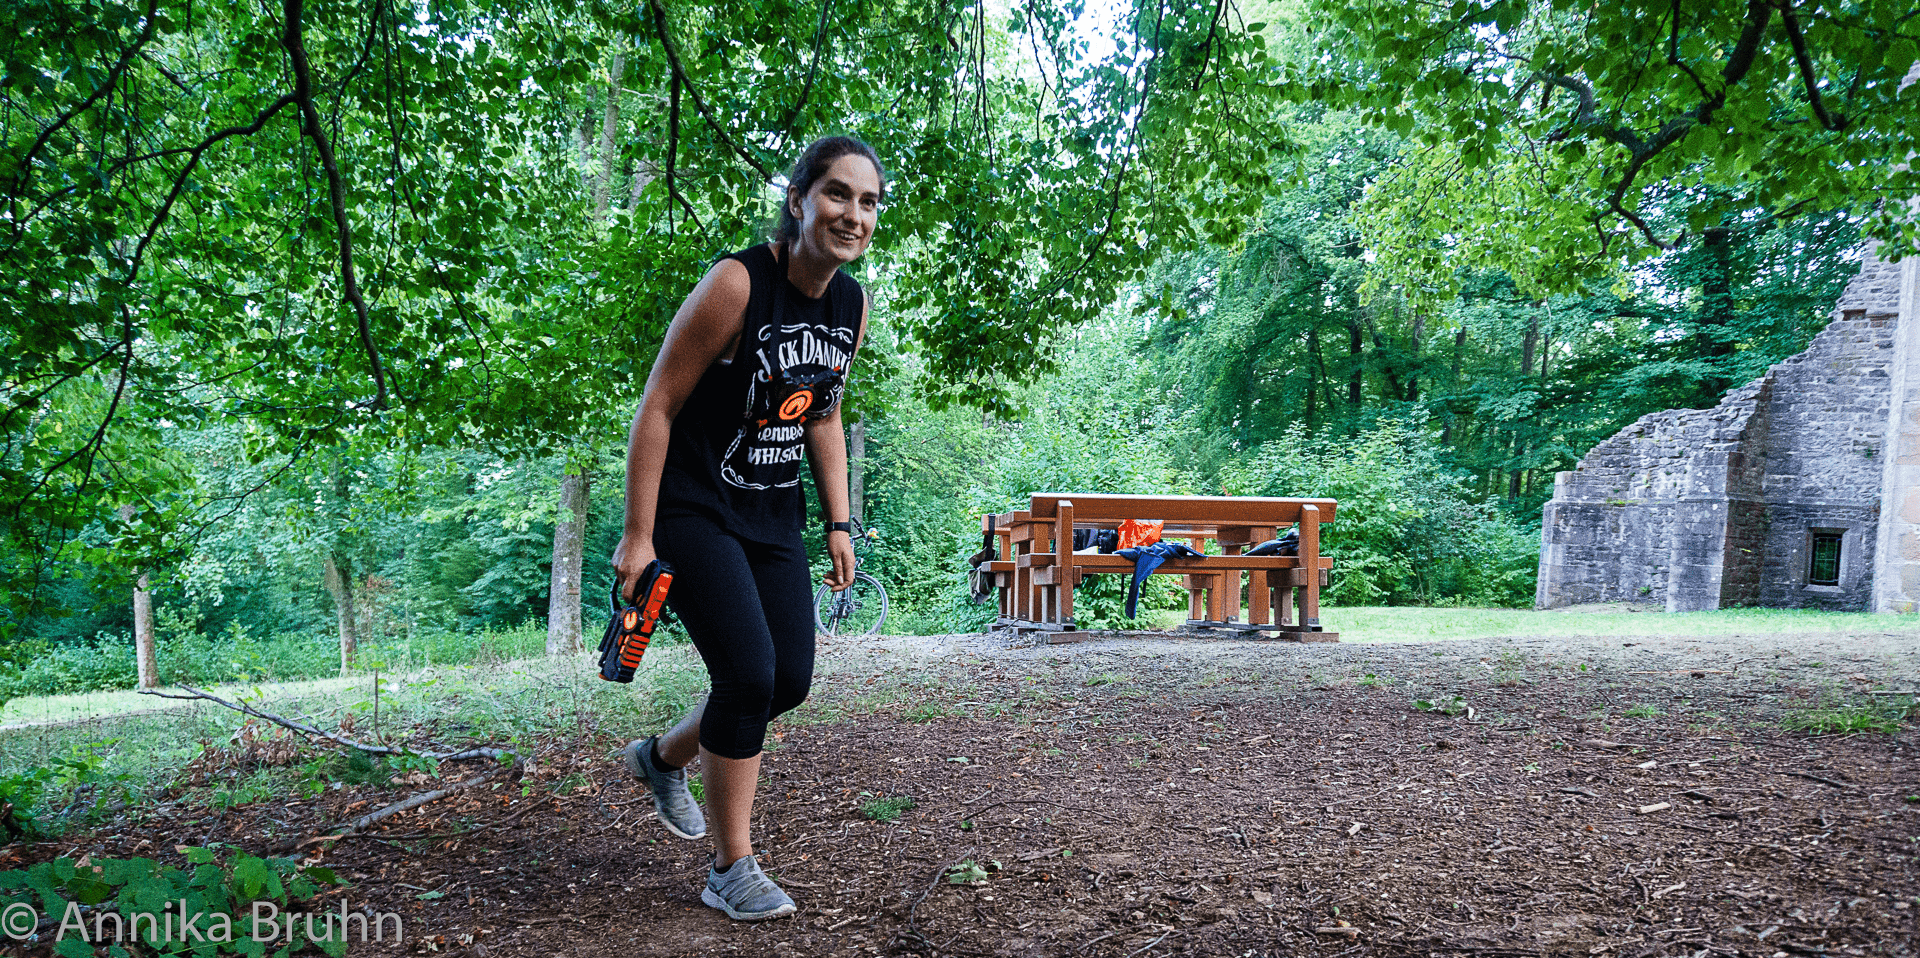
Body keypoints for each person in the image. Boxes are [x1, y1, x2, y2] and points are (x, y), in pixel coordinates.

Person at [609, 135, 883, 921]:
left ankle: (661, 757)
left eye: (868, 201)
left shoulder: (851, 305)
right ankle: (731, 867)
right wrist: (638, 533)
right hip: (692, 504)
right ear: (799, 200)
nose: (853, 214)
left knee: (785, 679)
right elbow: (658, 405)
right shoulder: (737, 284)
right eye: (837, 193)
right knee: (749, 675)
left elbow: (822, 415)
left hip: (770, 512)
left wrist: (839, 523)